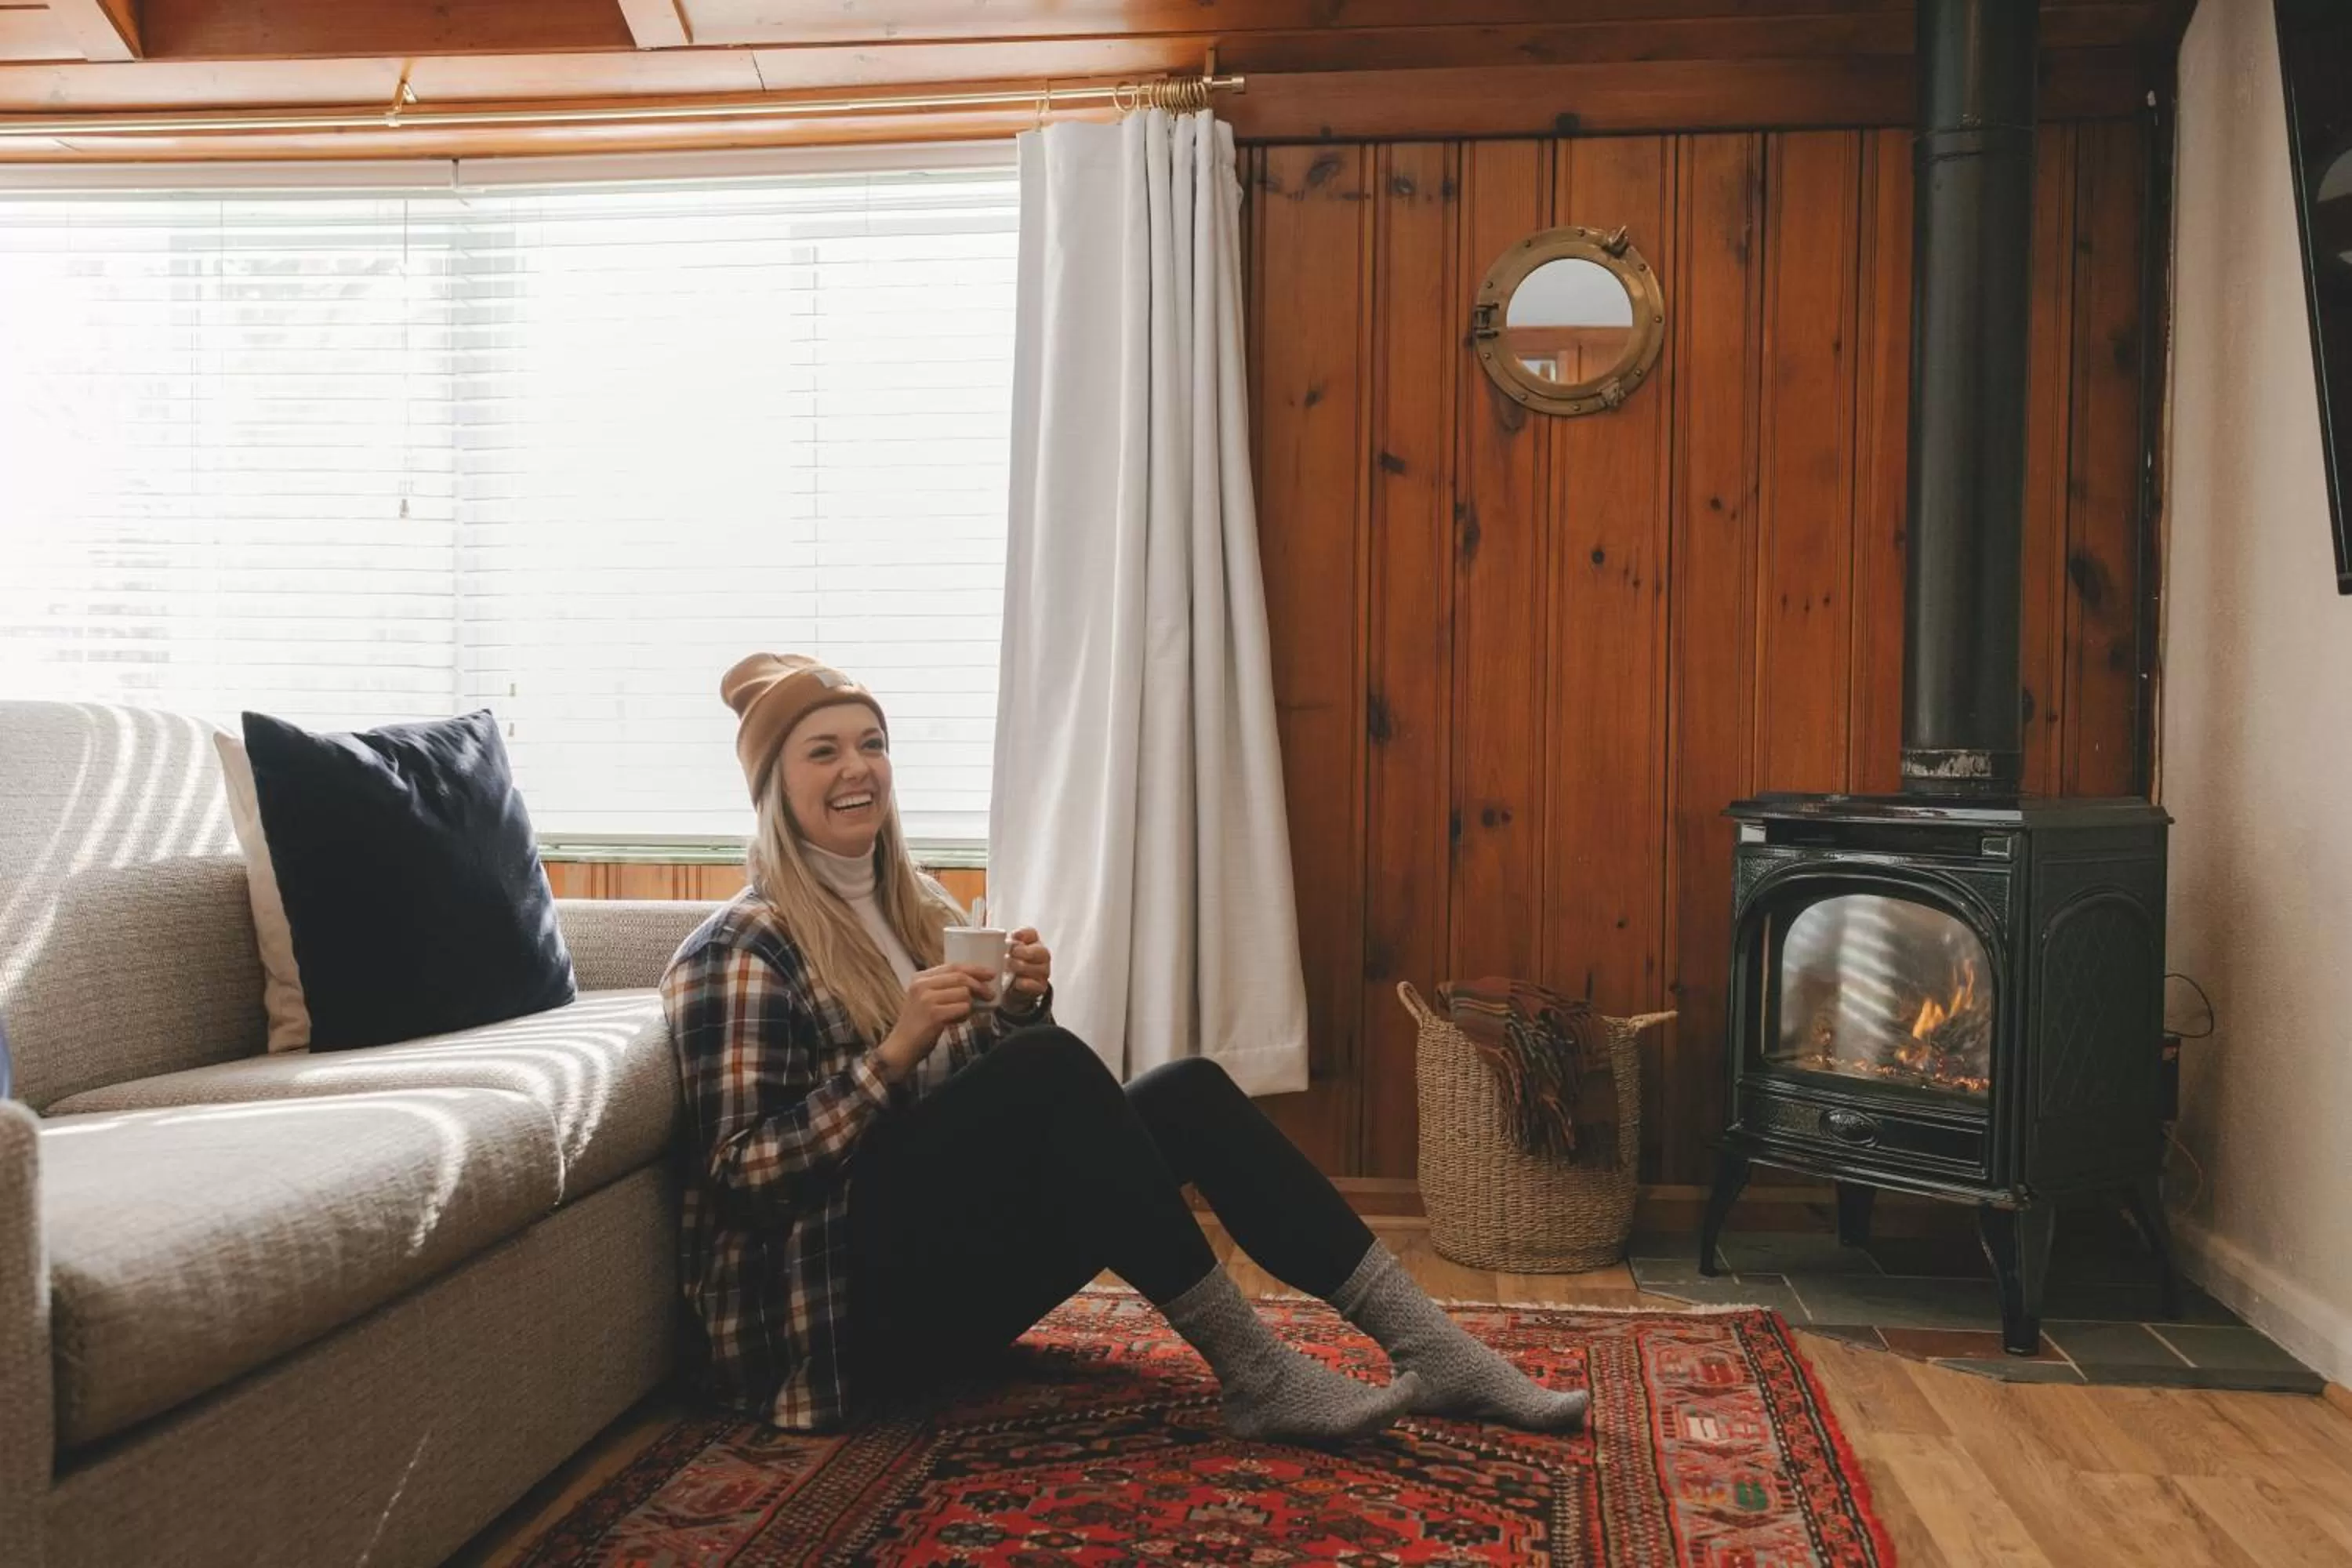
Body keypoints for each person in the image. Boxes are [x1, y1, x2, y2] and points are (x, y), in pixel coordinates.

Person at [659, 652, 1592, 1443]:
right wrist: (891, 1055)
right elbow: (741, 1175)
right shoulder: (739, 948)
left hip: (944, 1288)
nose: (857, 767)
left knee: (1185, 1088)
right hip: (834, 1326)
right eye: (823, 750)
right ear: (773, 785)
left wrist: (1016, 1011)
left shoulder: (921, 908)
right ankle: (1259, 1374)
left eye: (871, 742)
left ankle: (1432, 1345)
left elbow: (1003, 1123)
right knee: (1049, 1067)